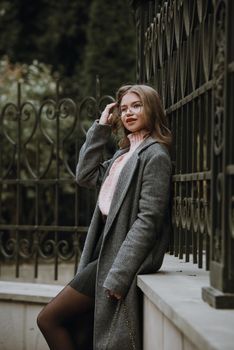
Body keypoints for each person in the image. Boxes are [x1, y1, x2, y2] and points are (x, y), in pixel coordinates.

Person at [37, 84, 172, 350]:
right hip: (102, 254)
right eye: (123, 109)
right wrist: (100, 126)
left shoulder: (155, 155)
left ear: (152, 108)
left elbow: (148, 221)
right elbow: (84, 175)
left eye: (136, 106)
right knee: (81, 336)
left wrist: (119, 275)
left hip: (116, 259)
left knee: (48, 319)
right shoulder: (124, 155)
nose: (129, 113)